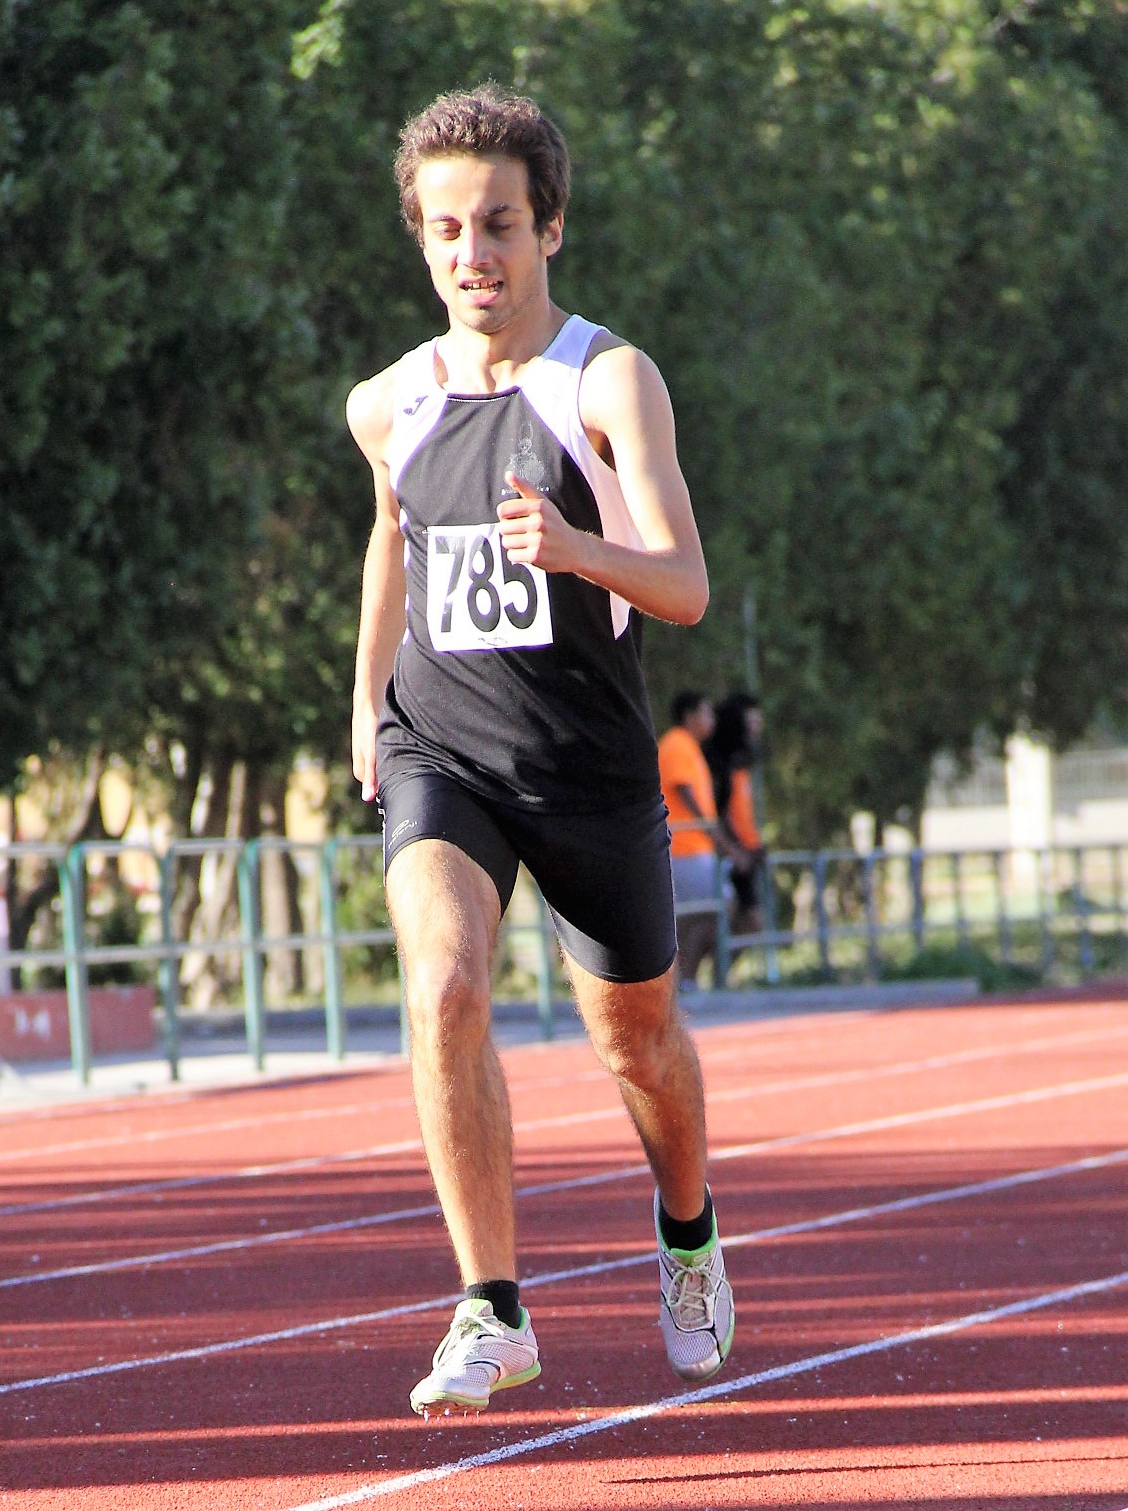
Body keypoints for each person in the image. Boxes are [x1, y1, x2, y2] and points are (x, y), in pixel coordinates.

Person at [347, 84, 733, 1419]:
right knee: (445, 983)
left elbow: (684, 584)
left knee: (637, 1039)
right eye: (447, 229)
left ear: (550, 226)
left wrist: (577, 548)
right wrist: (364, 702)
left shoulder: (605, 380)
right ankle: (491, 1305)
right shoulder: (387, 403)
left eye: (499, 224)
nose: (473, 253)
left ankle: (687, 1232)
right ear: (421, 238)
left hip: (586, 764)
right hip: (439, 746)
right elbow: (392, 536)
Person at [657, 691, 719, 990]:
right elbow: (684, 792)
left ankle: (685, 980)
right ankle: (685, 979)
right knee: (707, 912)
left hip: (696, 848)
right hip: (685, 848)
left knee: (702, 914)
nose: (711, 720)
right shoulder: (677, 744)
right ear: (690, 715)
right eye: (707, 713)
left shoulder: (690, 747)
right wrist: (714, 833)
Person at [705, 692, 767, 935]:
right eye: (751, 722)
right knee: (724, 921)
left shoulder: (739, 763)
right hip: (722, 855)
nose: (756, 729)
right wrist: (732, 848)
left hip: (741, 853)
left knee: (749, 923)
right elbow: (715, 813)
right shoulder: (715, 764)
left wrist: (753, 845)